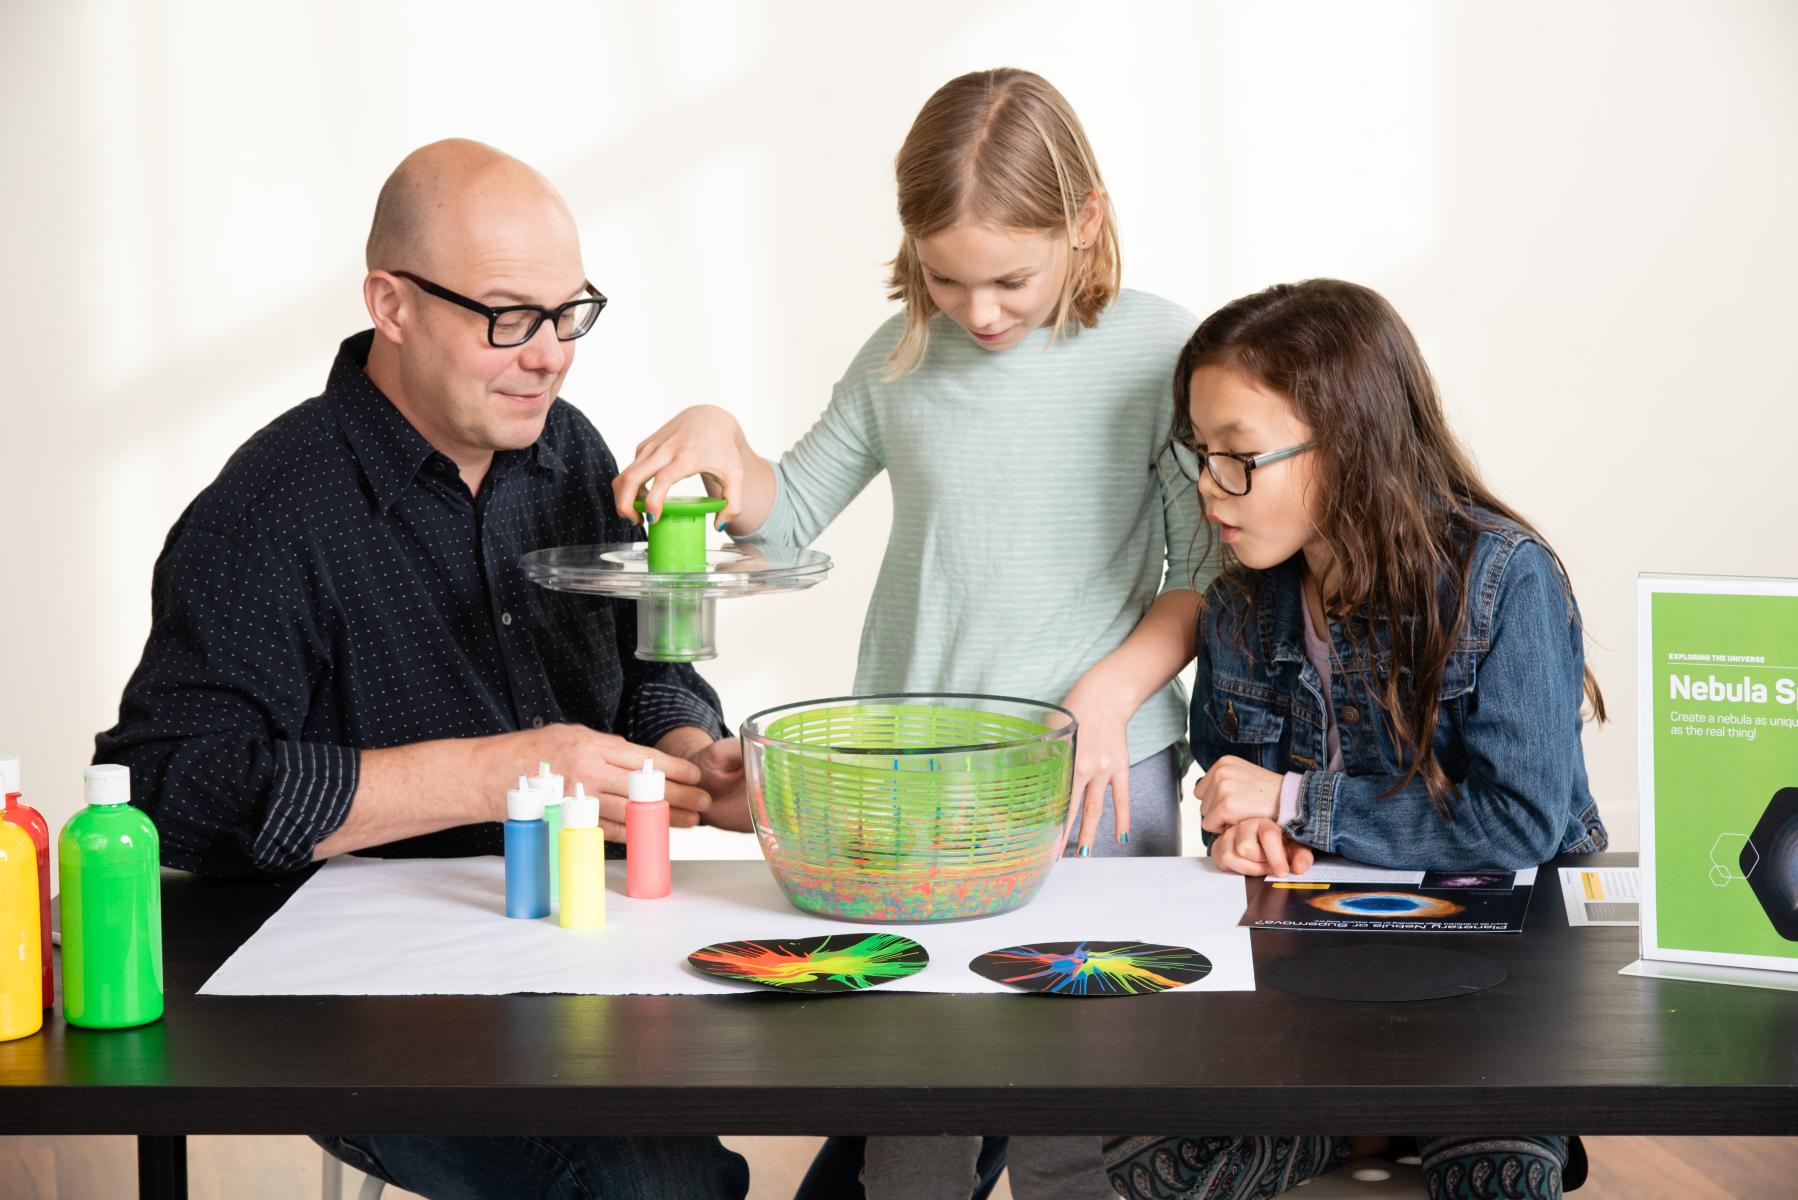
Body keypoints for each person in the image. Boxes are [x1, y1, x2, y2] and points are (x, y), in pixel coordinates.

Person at [94, 139, 751, 1199]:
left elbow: (649, 666)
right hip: (364, 1010)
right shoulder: (269, 510)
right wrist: (498, 772)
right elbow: (169, 783)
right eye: (507, 317)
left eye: (567, 313)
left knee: (844, 1088)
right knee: (653, 1178)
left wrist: (686, 749)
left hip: (589, 957)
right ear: (390, 304)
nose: (549, 356)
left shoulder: (570, 453)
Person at [613, 66, 1211, 1200]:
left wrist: (1105, 695)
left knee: (1070, 1093)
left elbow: (1207, 575)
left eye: (1009, 280)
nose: (978, 311)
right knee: (914, 1074)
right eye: (946, 277)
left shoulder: (1156, 352)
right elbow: (785, 510)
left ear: (1083, 223)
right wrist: (723, 440)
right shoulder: (903, 353)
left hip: (1095, 771)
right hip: (911, 778)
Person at [1094, 278, 1601, 1197]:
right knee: (1154, 1176)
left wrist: (1293, 801)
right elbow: (1229, 769)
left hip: (1495, 994)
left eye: (1240, 456)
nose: (1212, 485)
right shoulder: (1240, 602)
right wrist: (1243, 824)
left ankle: (1413, 1121)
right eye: (1201, 454)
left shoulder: (1504, 579)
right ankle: (1360, 1118)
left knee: (1494, 1181)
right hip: (1314, 985)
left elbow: (1522, 821)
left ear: (1351, 445)